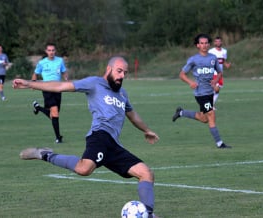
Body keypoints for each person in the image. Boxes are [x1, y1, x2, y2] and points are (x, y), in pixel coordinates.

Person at [13, 57, 160, 218]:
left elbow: (132, 115)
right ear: (108, 69)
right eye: (119, 71)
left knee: (146, 173)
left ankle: (148, 214)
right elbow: (60, 85)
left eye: (125, 73)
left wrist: (147, 130)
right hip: (99, 136)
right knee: (84, 169)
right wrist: (28, 83)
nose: (122, 76)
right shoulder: (94, 83)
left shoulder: (122, 94)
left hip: (114, 145)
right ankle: (44, 154)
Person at [172, 34, 231, 149]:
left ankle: (181, 113)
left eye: (206, 43)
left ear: (209, 44)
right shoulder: (194, 59)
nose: (204, 45)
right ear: (197, 45)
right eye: (201, 43)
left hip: (210, 93)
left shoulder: (213, 58)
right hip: (200, 93)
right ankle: (220, 143)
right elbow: (182, 74)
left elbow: (219, 73)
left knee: (204, 119)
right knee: (211, 115)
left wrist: (215, 82)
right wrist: (190, 82)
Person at [31, 43, 68, 143]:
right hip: (47, 88)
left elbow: (64, 71)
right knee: (55, 112)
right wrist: (33, 84)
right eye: (49, 50)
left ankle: (38, 107)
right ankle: (58, 137)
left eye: (53, 50)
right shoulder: (42, 63)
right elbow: (35, 73)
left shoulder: (60, 61)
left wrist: (66, 79)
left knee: (54, 115)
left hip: (58, 89)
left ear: (55, 51)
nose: (51, 52)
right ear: (46, 51)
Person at [208, 36, 231, 108]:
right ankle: (209, 104)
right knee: (216, 89)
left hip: (220, 74)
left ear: (221, 42)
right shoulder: (211, 51)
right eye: (216, 41)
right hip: (213, 73)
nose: (218, 43)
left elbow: (223, 60)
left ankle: (211, 105)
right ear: (214, 43)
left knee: (217, 91)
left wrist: (226, 65)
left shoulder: (224, 51)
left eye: (219, 41)